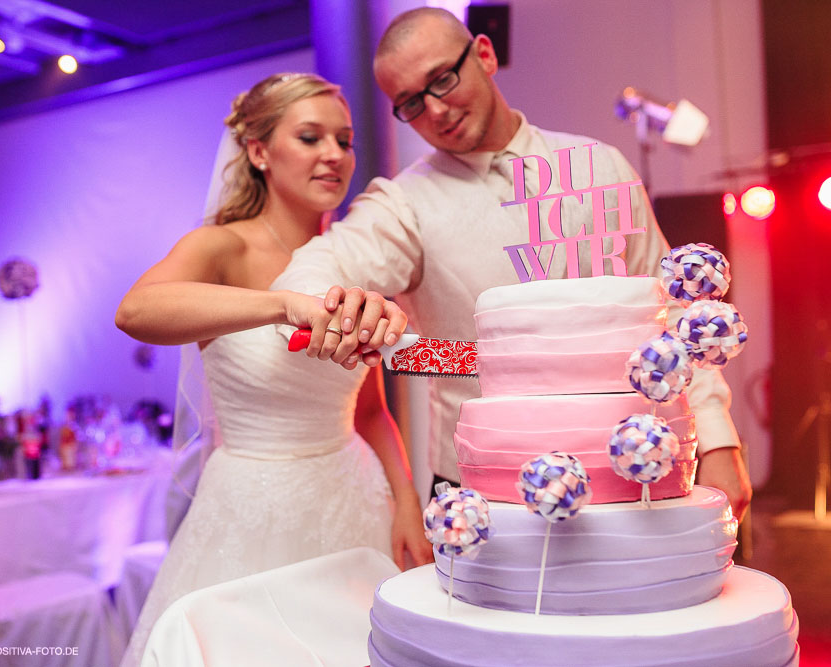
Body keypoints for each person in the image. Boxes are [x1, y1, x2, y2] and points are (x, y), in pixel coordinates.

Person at [275, 7, 752, 520]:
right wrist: (360, 322)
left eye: (442, 80)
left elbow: (673, 314)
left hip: (629, 470)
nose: (433, 110)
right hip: (480, 490)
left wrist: (717, 440)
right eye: (410, 103)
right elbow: (308, 278)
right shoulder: (403, 204)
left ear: (484, 54)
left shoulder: (601, 165)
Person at [114, 72, 432, 664]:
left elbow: (368, 409)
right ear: (259, 152)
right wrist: (280, 304)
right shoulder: (220, 249)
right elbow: (135, 311)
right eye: (311, 138)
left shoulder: (352, 255)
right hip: (253, 503)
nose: (334, 155)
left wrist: (407, 498)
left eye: (344, 139)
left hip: (354, 497)